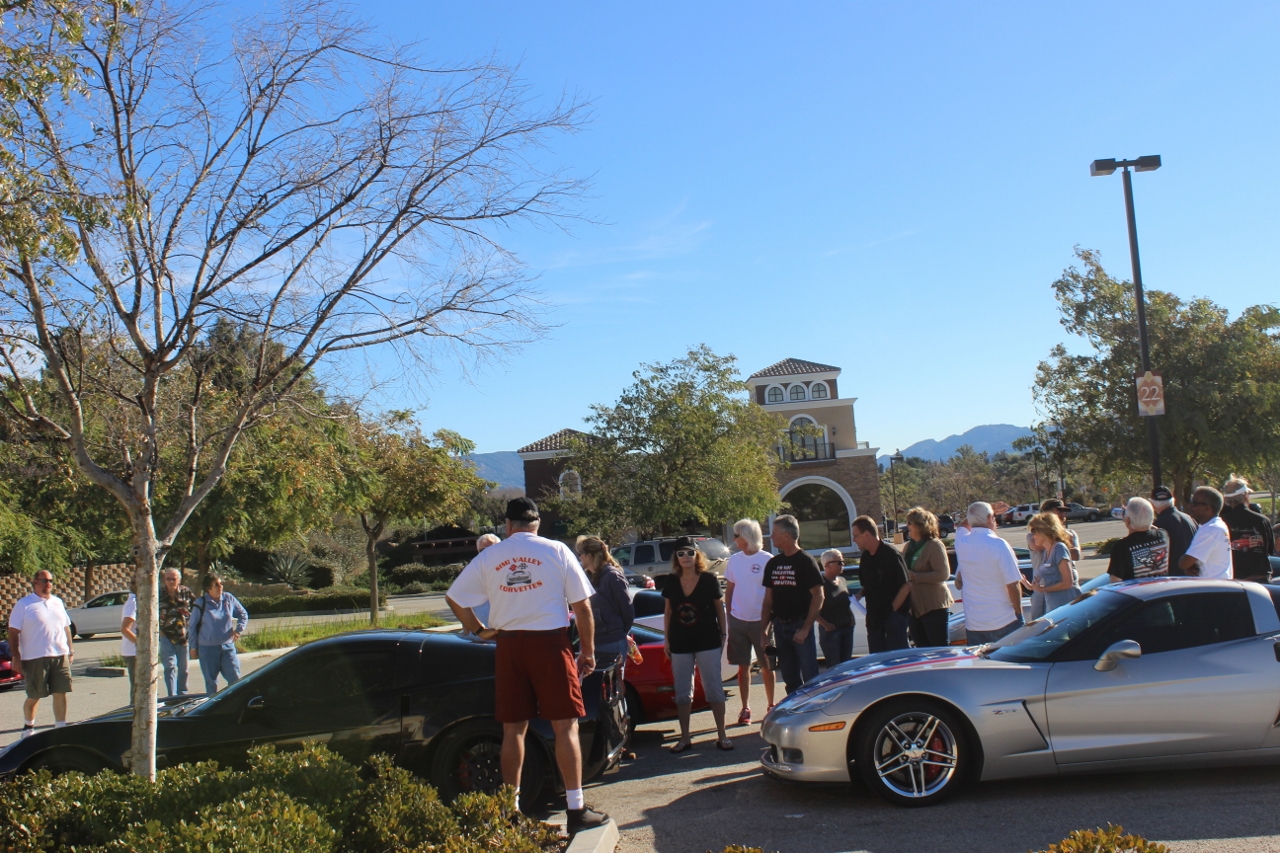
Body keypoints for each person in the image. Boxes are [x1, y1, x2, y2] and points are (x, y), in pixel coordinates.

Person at [444, 498, 608, 833]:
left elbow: (455, 598)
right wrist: (587, 651)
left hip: (509, 646)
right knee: (565, 726)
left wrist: (479, 630)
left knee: (513, 729)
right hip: (550, 643)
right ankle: (575, 809)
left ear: (507, 526)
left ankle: (509, 809)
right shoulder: (557, 550)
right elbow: (583, 607)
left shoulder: (490, 556)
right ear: (537, 523)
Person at [661, 536, 731, 753]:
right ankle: (684, 738)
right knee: (683, 692)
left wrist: (723, 633)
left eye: (690, 552)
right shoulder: (671, 581)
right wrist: (667, 639)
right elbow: (668, 612)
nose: (686, 557)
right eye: (681, 553)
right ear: (676, 558)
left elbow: (719, 608)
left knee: (713, 689)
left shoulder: (709, 579)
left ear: (697, 555)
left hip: (708, 640)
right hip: (680, 642)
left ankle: (722, 735)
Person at [760, 515, 823, 694]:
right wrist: (763, 631)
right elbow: (768, 600)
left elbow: (819, 596)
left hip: (800, 626)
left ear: (786, 535)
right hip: (780, 626)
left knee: (810, 677)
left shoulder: (806, 561)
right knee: (789, 678)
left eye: (774, 533)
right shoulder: (773, 563)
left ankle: (812, 714)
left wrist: (805, 628)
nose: (771, 537)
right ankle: (795, 715)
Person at [7, 570, 74, 738]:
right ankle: (28, 727)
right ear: (35, 582)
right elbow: (13, 632)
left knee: (61, 691)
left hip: (60, 655)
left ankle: (60, 728)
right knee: (35, 695)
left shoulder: (58, 602)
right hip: (35, 657)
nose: (48, 583)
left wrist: (70, 650)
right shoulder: (24, 605)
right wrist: (16, 656)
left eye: (51, 580)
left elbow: (66, 627)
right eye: (44, 580)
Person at [723, 518, 776, 725]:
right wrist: (729, 617)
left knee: (767, 666)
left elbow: (772, 594)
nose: (734, 539)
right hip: (738, 620)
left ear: (746, 537)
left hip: (761, 622)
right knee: (742, 667)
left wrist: (769, 622)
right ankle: (745, 709)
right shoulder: (734, 560)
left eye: (736, 535)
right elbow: (730, 590)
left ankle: (771, 705)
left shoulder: (767, 559)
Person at [954, 502, 1023, 644]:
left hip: (974, 623)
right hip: (1003, 620)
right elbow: (1013, 584)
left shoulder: (961, 542)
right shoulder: (999, 544)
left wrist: (975, 515)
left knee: (981, 665)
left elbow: (962, 525)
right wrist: (1018, 613)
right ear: (991, 518)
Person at [851, 516, 910, 653]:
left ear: (866, 534)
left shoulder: (891, 554)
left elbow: (906, 586)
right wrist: (859, 594)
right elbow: (867, 584)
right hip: (874, 620)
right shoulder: (865, 557)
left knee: (896, 661)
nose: (854, 540)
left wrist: (893, 609)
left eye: (856, 536)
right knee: (877, 663)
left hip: (893, 620)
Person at [187, 573, 249, 694]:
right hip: (207, 649)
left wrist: (238, 630)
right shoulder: (201, 603)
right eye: (216, 584)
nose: (220, 586)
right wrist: (193, 647)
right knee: (211, 683)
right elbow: (192, 626)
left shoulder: (228, 598)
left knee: (235, 679)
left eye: (221, 583)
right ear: (208, 588)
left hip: (227, 647)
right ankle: (212, 708)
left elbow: (243, 614)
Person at [576, 536, 634, 665]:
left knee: (613, 684)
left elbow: (628, 612)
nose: (579, 558)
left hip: (611, 643)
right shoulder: (587, 577)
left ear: (590, 555)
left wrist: (619, 634)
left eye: (580, 554)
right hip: (591, 642)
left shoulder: (612, 577)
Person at [901, 507, 953, 648]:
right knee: (921, 650)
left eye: (910, 523)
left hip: (933, 606)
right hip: (914, 607)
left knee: (938, 648)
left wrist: (916, 576)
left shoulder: (934, 545)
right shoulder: (908, 547)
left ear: (920, 526)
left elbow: (943, 574)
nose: (908, 526)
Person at [1218, 475, 1275, 583]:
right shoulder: (1262, 520)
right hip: (1259, 580)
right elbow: (1269, 550)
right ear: (1245, 496)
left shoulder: (1221, 522)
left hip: (1233, 580)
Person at [1026, 512, 1082, 612]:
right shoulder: (1046, 552)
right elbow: (1049, 582)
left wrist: (1044, 590)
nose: (1032, 536)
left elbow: (1068, 582)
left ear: (1044, 530)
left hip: (1065, 609)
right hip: (1052, 608)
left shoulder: (1059, 548)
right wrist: (1030, 585)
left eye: (1034, 531)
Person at [1107, 497, 1170, 583]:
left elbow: (1115, 584)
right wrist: (1146, 520)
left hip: (1135, 595)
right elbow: (1154, 528)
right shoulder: (1163, 535)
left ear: (1127, 520)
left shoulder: (1121, 547)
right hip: (1161, 594)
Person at [1179, 487, 1233, 579]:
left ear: (1208, 508)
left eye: (1194, 503)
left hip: (1212, 588)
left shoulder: (1211, 529)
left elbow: (1184, 563)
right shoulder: (1216, 525)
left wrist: (1186, 565)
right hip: (1217, 586)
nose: (1189, 506)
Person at [1026, 499, 1080, 587]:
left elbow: (1076, 555)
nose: (1063, 514)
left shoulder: (1071, 533)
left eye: (1064, 511)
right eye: (1059, 510)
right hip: (1042, 585)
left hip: (1069, 585)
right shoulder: (1033, 536)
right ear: (1045, 514)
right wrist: (1063, 539)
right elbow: (1036, 546)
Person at [158, 567, 195, 696]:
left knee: (184, 669)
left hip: (183, 636)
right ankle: (171, 696)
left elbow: (196, 609)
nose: (171, 581)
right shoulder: (158, 593)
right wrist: (159, 631)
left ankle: (182, 694)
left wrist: (192, 626)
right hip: (166, 635)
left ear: (179, 580)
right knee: (169, 667)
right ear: (164, 580)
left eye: (174, 579)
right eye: (168, 579)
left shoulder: (186, 592)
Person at [815, 549, 854, 666]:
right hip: (831, 633)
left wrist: (851, 620)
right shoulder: (820, 584)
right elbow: (811, 609)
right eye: (839, 562)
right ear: (827, 566)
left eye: (843, 561)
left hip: (846, 629)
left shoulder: (842, 581)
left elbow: (845, 603)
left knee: (846, 666)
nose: (843, 565)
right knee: (835, 667)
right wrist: (826, 625)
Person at [1151, 486, 1197, 575]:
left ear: (1153, 504)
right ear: (1173, 500)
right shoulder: (1190, 519)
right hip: (1193, 579)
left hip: (1172, 581)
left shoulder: (1158, 525)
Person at [120, 580, 138, 707]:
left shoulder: (138, 601)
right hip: (134, 652)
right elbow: (125, 628)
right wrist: (141, 644)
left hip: (135, 651)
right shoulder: (134, 602)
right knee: (138, 687)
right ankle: (133, 714)